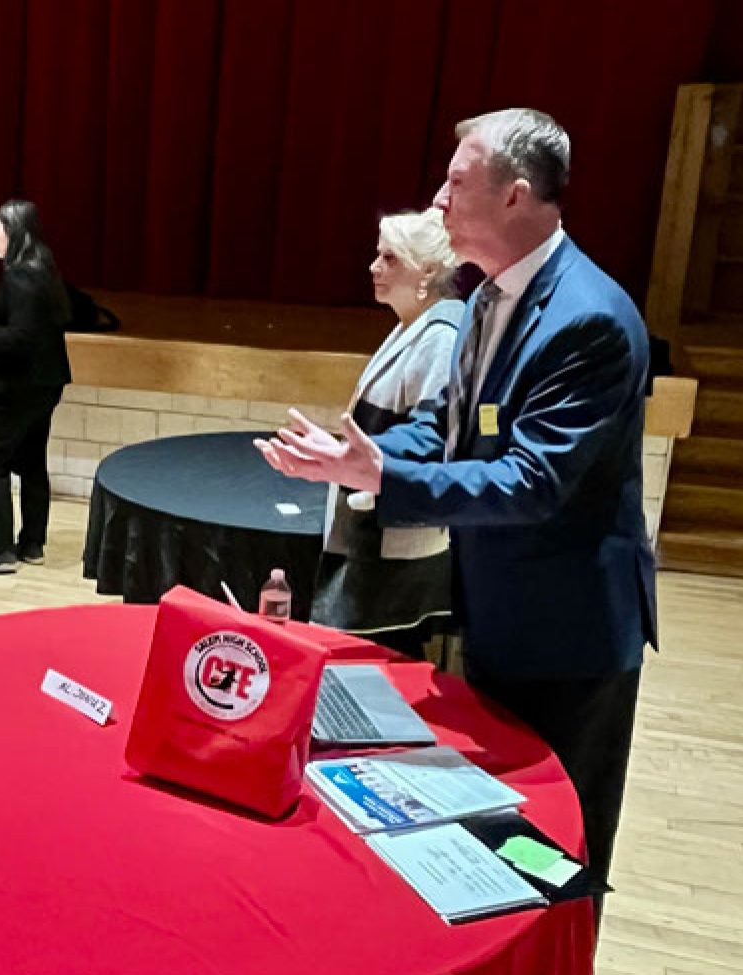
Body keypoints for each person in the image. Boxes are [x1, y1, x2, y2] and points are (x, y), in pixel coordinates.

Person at [258, 109, 656, 911]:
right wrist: (360, 459)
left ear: (515, 196)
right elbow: (447, 430)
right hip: (498, 613)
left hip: (569, 631)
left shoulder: (589, 318)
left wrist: (387, 477)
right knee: (499, 836)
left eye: (456, 182)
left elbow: (530, 482)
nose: (438, 199)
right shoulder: (484, 299)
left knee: (560, 849)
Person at [312, 208, 461, 657]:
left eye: (390, 258)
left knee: (378, 663)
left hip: (394, 543)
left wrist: (349, 457)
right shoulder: (411, 325)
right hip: (373, 530)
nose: (374, 267)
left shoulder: (442, 336)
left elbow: (432, 437)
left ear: (427, 271)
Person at [0, 199, 72, 574]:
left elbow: (21, 338)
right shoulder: (44, 270)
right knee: (32, 462)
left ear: (15, 234)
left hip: (15, 389)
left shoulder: (21, 277)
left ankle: (0, 549)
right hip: (46, 384)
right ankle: (33, 543)